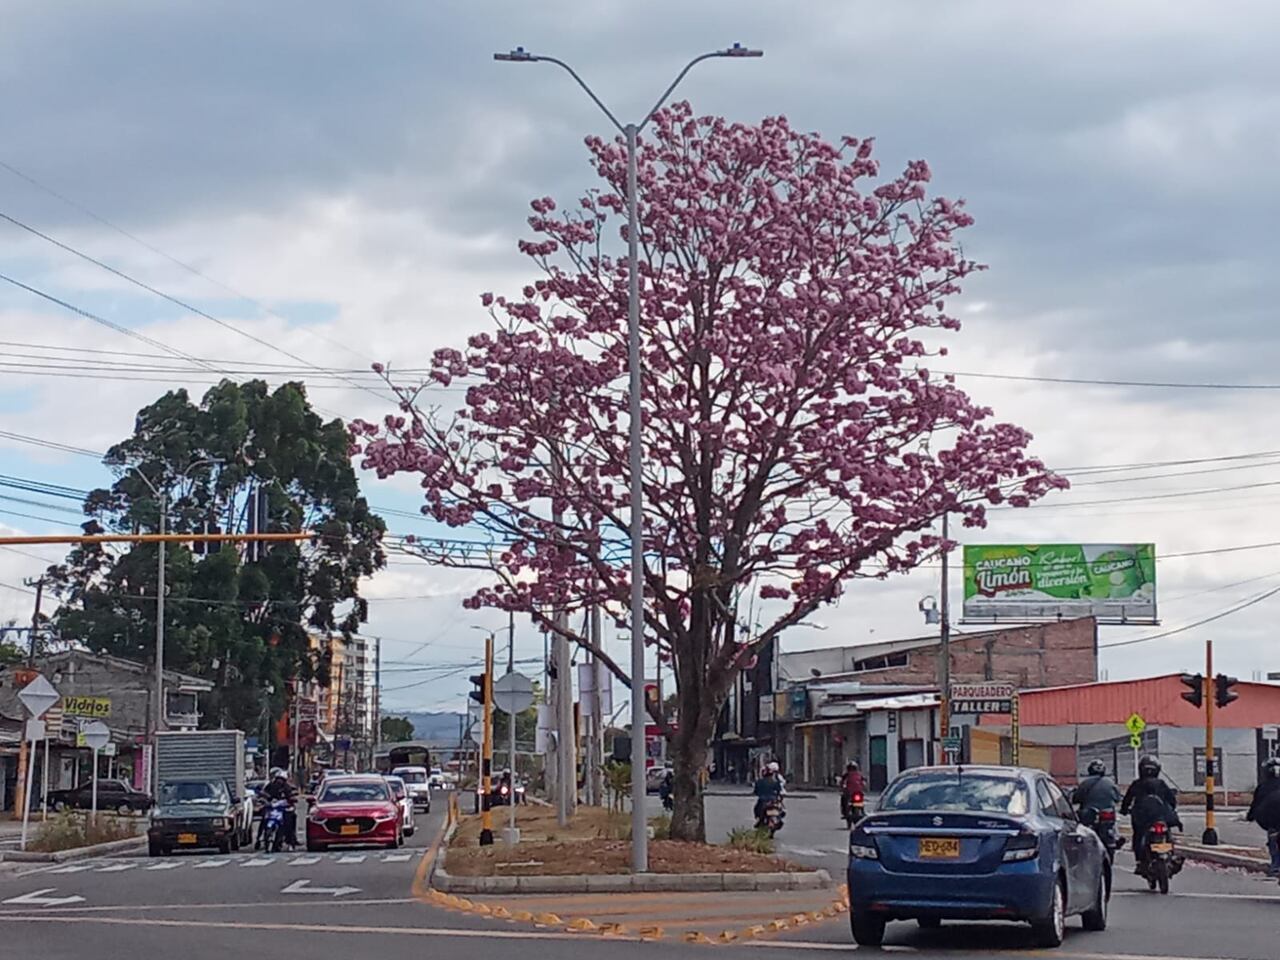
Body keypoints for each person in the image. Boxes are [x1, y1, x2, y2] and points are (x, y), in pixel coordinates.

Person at [1121, 755, 1181, 874]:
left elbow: (1127, 800)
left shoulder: (1137, 784)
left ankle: (1139, 861)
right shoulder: (1161, 784)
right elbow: (1172, 800)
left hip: (1142, 819)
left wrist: (1124, 810)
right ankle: (1170, 854)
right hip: (1160, 817)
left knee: (1138, 836)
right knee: (1167, 832)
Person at [1245, 757, 1280, 876]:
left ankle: (1275, 865)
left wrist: (1249, 817)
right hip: (1271, 817)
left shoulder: (1262, 787)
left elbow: (1254, 805)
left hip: (1270, 819)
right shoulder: (1263, 787)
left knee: (1273, 837)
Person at [257, 767, 298, 849]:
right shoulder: (270, 785)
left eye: (281, 779)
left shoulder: (287, 787)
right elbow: (263, 793)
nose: (279, 781)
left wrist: (290, 801)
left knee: (290, 820)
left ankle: (290, 840)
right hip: (271, 807)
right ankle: (259, 838)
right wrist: (263, 799)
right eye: (278, 779)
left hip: (282, 809)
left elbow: (291, 796)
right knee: (264, 819)